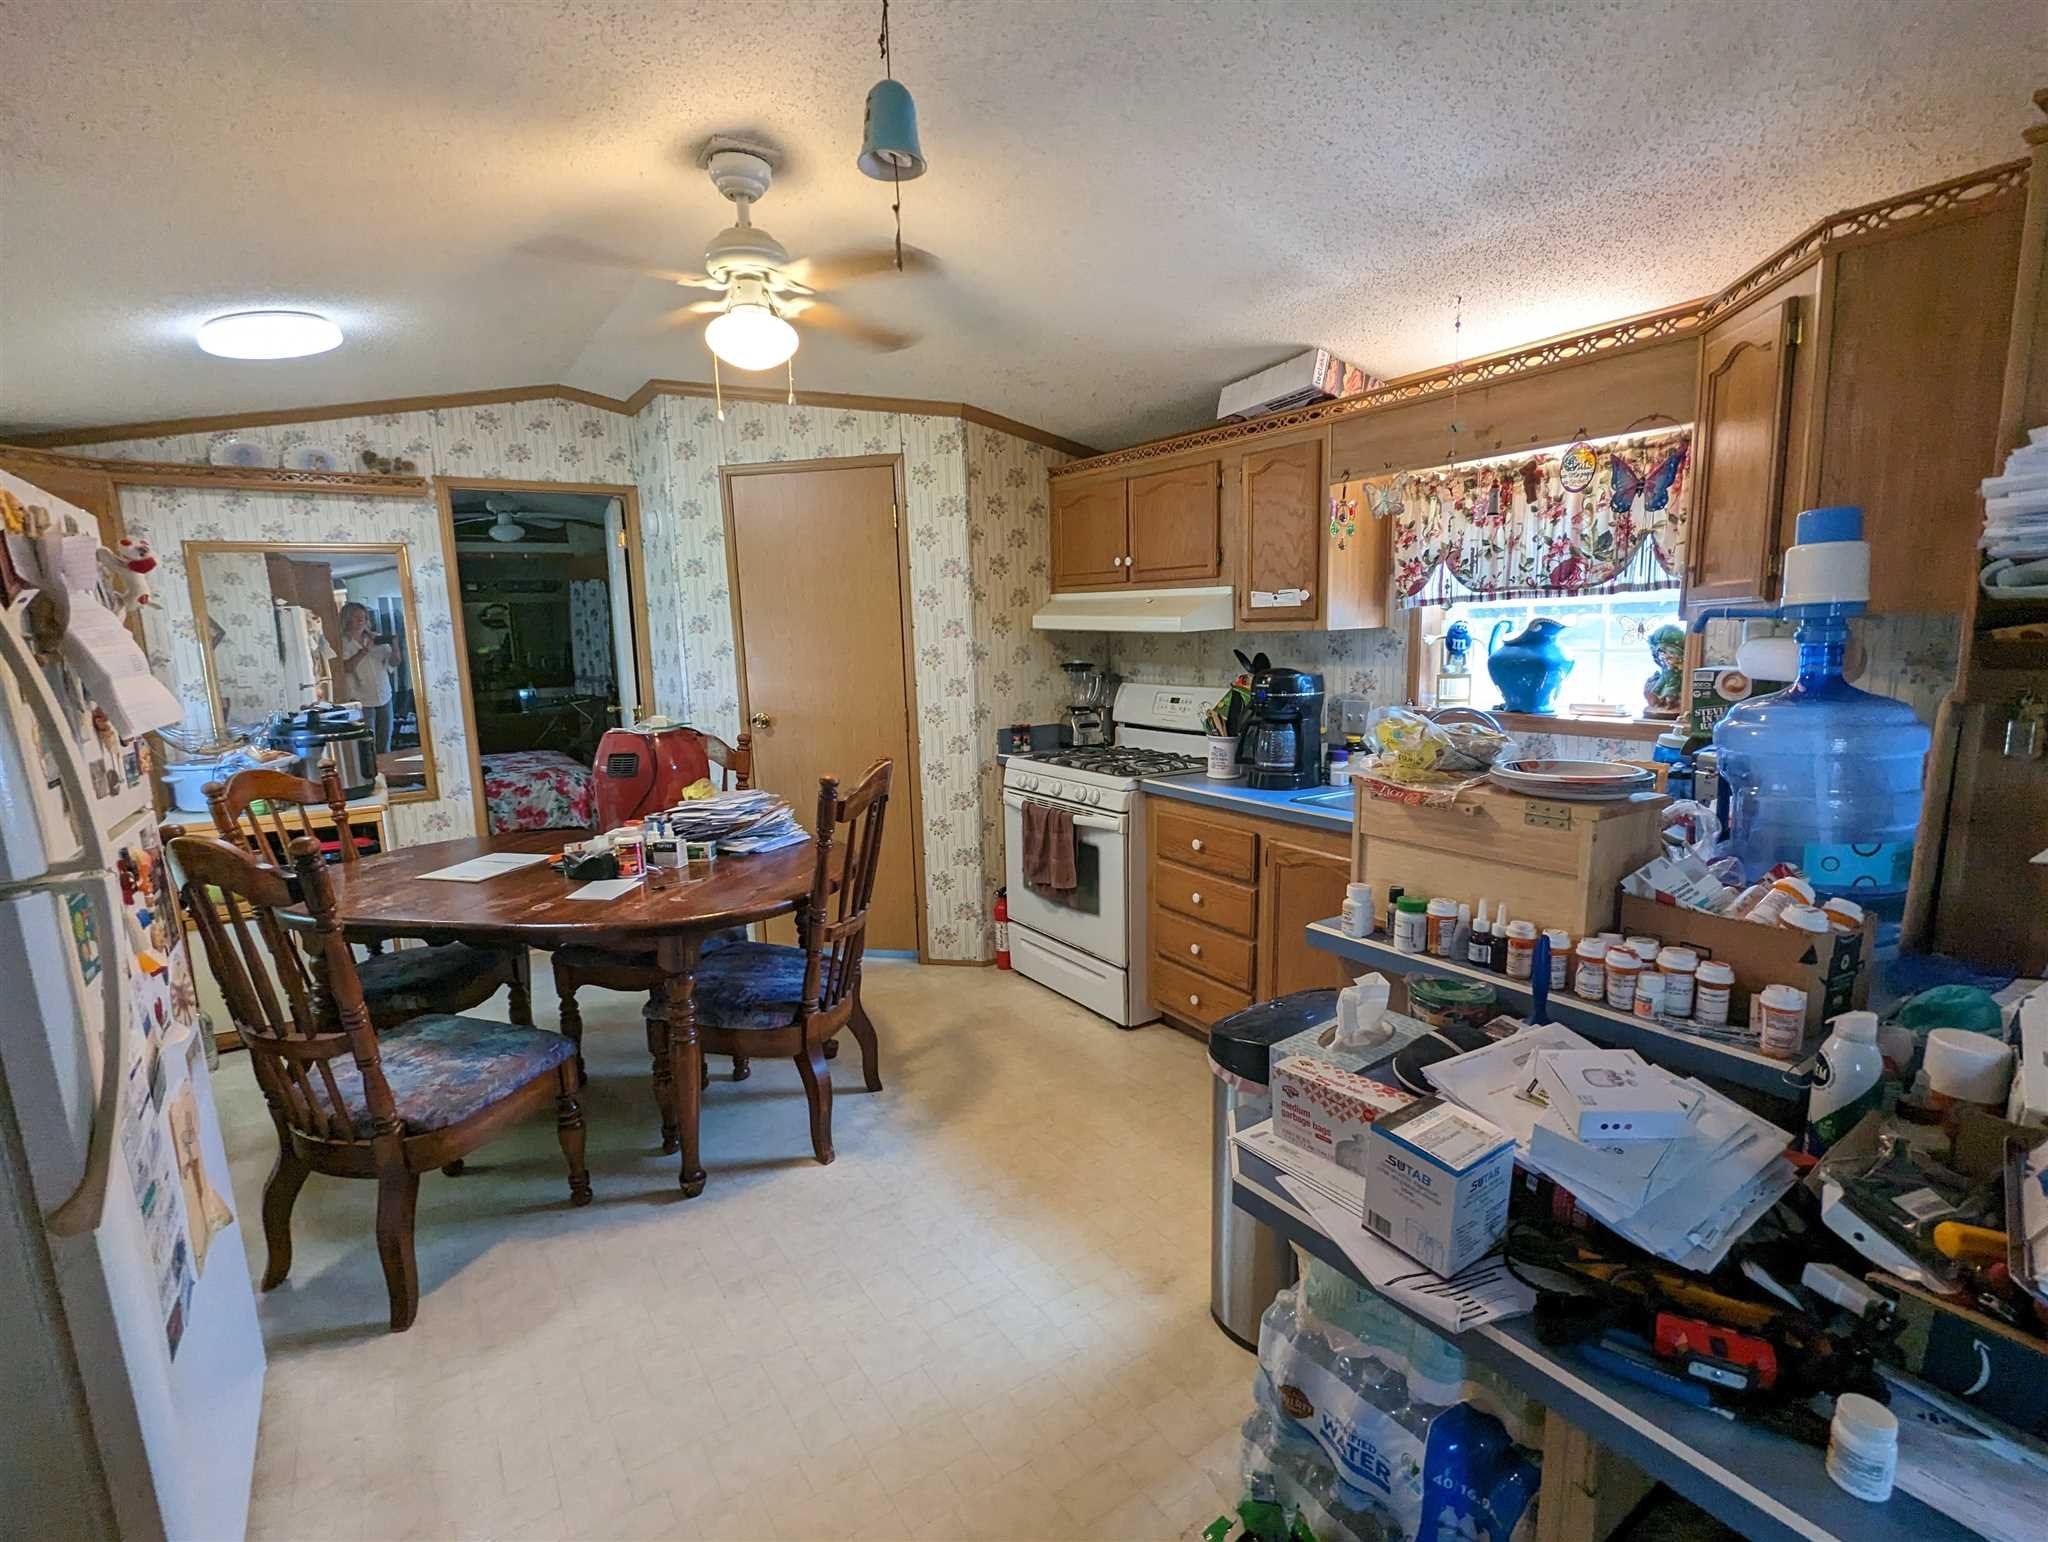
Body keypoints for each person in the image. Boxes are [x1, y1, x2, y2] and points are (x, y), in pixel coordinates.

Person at [337, 602, 398, 753]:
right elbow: (346, 668)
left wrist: (395, 645)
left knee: (385, 743)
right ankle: (371, 776)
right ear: (347, 619)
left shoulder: (377, 638)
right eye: (357, 616)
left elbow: (394, 663)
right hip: (362, 700)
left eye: (363, 616)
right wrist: (363, 651)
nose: (361, 620)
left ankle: (386, 775)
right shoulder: (342, 644)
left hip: (384, 696)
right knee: (367, 745)